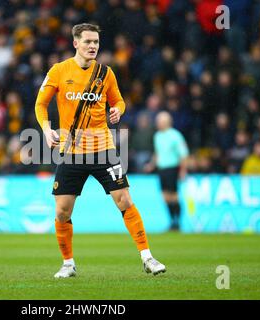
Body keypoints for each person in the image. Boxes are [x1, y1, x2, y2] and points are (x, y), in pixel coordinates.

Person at [34, 23, 166, 278]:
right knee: (62, 211)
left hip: (103, 148)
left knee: (124, 200)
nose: (93, 46)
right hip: (71, 151)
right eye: (87, 42)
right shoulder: (59, 71)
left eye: (95, 42)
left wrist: (119, 110)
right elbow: (41, 104)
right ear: (75, 43)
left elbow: (118, 100)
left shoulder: (106, 73)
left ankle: (147, 257)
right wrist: (46, 129)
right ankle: (68, 263)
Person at [146, 112, 189, 231]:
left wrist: (183, 170)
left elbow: (183, 154)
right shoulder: (157, 136)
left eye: (160, 121)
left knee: (174, 196)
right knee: (165, 196)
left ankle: (178, 222)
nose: (157, 123)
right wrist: (151, 164)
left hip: (172, 168)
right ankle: (172, 222)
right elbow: (157, 153)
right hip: (162, 169)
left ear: (167, 122)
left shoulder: (176, 136)